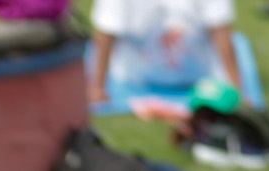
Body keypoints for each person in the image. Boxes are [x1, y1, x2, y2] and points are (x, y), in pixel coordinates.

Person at [87, 0, 246, 106]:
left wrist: (236, 91)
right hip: (135, 77)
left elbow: (222, 31)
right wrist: (98, 88)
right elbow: (106, 33)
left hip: (197, 78)